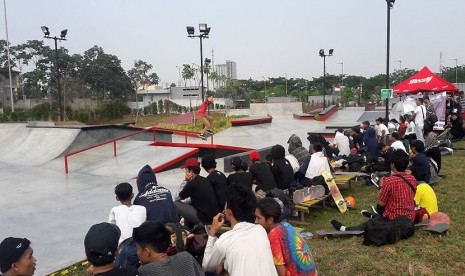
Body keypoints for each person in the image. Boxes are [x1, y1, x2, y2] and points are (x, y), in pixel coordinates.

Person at [331, 149, 416, 231]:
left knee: (372, 223)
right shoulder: (412, 179)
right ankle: (372, 215)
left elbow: (381, 203)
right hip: (409, 219)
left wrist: (381, 186)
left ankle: (347, 229)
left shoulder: (389, 181)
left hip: (394, 219)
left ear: (393, 164)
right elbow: (412, 196)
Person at [202, 185, 277, 276]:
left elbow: (207, 266)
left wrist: (212, 232)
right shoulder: (260, 230)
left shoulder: (225, 239)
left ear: (229, 212)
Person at [255, 198, 317, 276]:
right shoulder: (286, 226)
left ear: (270, 219)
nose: (255, 222)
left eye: (258, 218)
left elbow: (281, 273)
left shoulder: (273, 235)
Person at [133, 221, 204, 276]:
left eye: (137, 249)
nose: (137, 253)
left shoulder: (143, 272)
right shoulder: (186, 257)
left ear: (147, 252)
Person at [175, 158, 220, 227]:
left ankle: (176, 227)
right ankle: (189, 228)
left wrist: (185, 181)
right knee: (188, 204)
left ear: (191, 171)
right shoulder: (205, 180)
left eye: (186, 170)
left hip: (204, 219)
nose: (185, 172)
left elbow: (177, 197)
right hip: (212, 216)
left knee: (175, 203)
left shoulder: (191, 184)